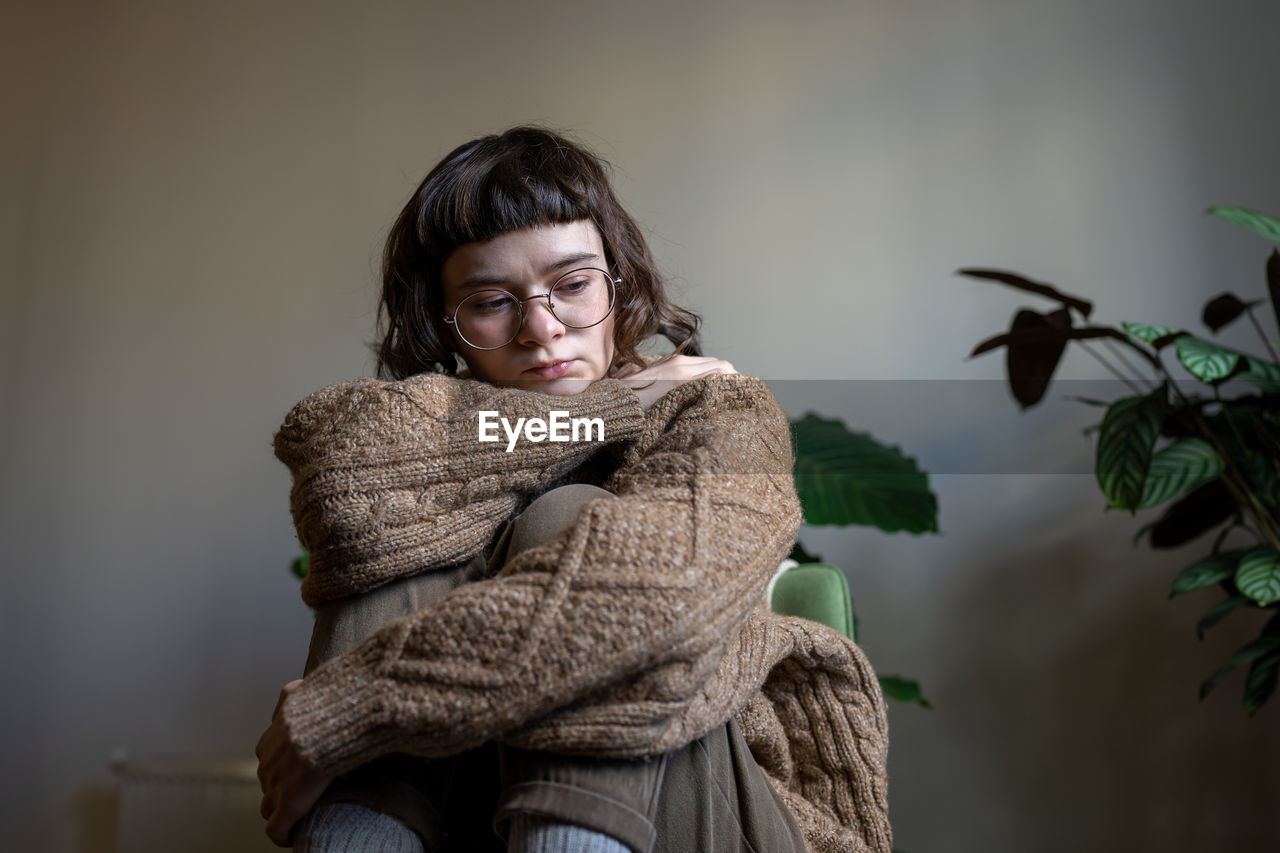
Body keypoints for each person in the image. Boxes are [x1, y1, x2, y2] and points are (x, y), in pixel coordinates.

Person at [256, 126, 891, 853]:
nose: (541, 328)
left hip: (709, 803)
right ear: (447, 324)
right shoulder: (423, 422)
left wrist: (347, 709)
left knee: (571, 516)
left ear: (620, 281)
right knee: (400, 543)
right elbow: (343, 482)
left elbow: (663, 594)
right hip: (476, 807)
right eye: (491, 301)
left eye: (572, 284)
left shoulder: (717, 405)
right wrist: (607, 410)